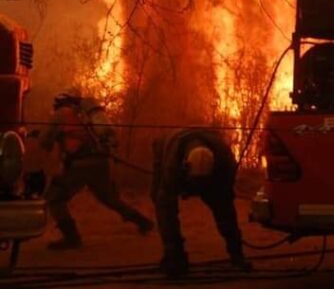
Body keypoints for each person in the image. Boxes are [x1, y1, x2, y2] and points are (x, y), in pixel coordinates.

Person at [39, 89, 153, 249]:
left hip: (80, 164)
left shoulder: (60, 114)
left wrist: (44, 137)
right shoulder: (86, 115)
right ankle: (143, 222)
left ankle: (72, 238)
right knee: (109, 199)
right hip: (100, 162)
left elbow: (44, 142)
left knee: (55, 198)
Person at [151, 128, 251, 277]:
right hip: (170, 151)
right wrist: (173, 252)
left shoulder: (224, 160)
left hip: (213, 179)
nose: (199, 187)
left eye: (201, 182)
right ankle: (175, 256)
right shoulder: (172, 163)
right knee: (163, 205)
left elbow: (226, 205)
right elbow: (167, 208)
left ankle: (237, 255)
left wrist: (236, 249)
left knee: (225, 211)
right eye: (196, 181)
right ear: (186, 166)